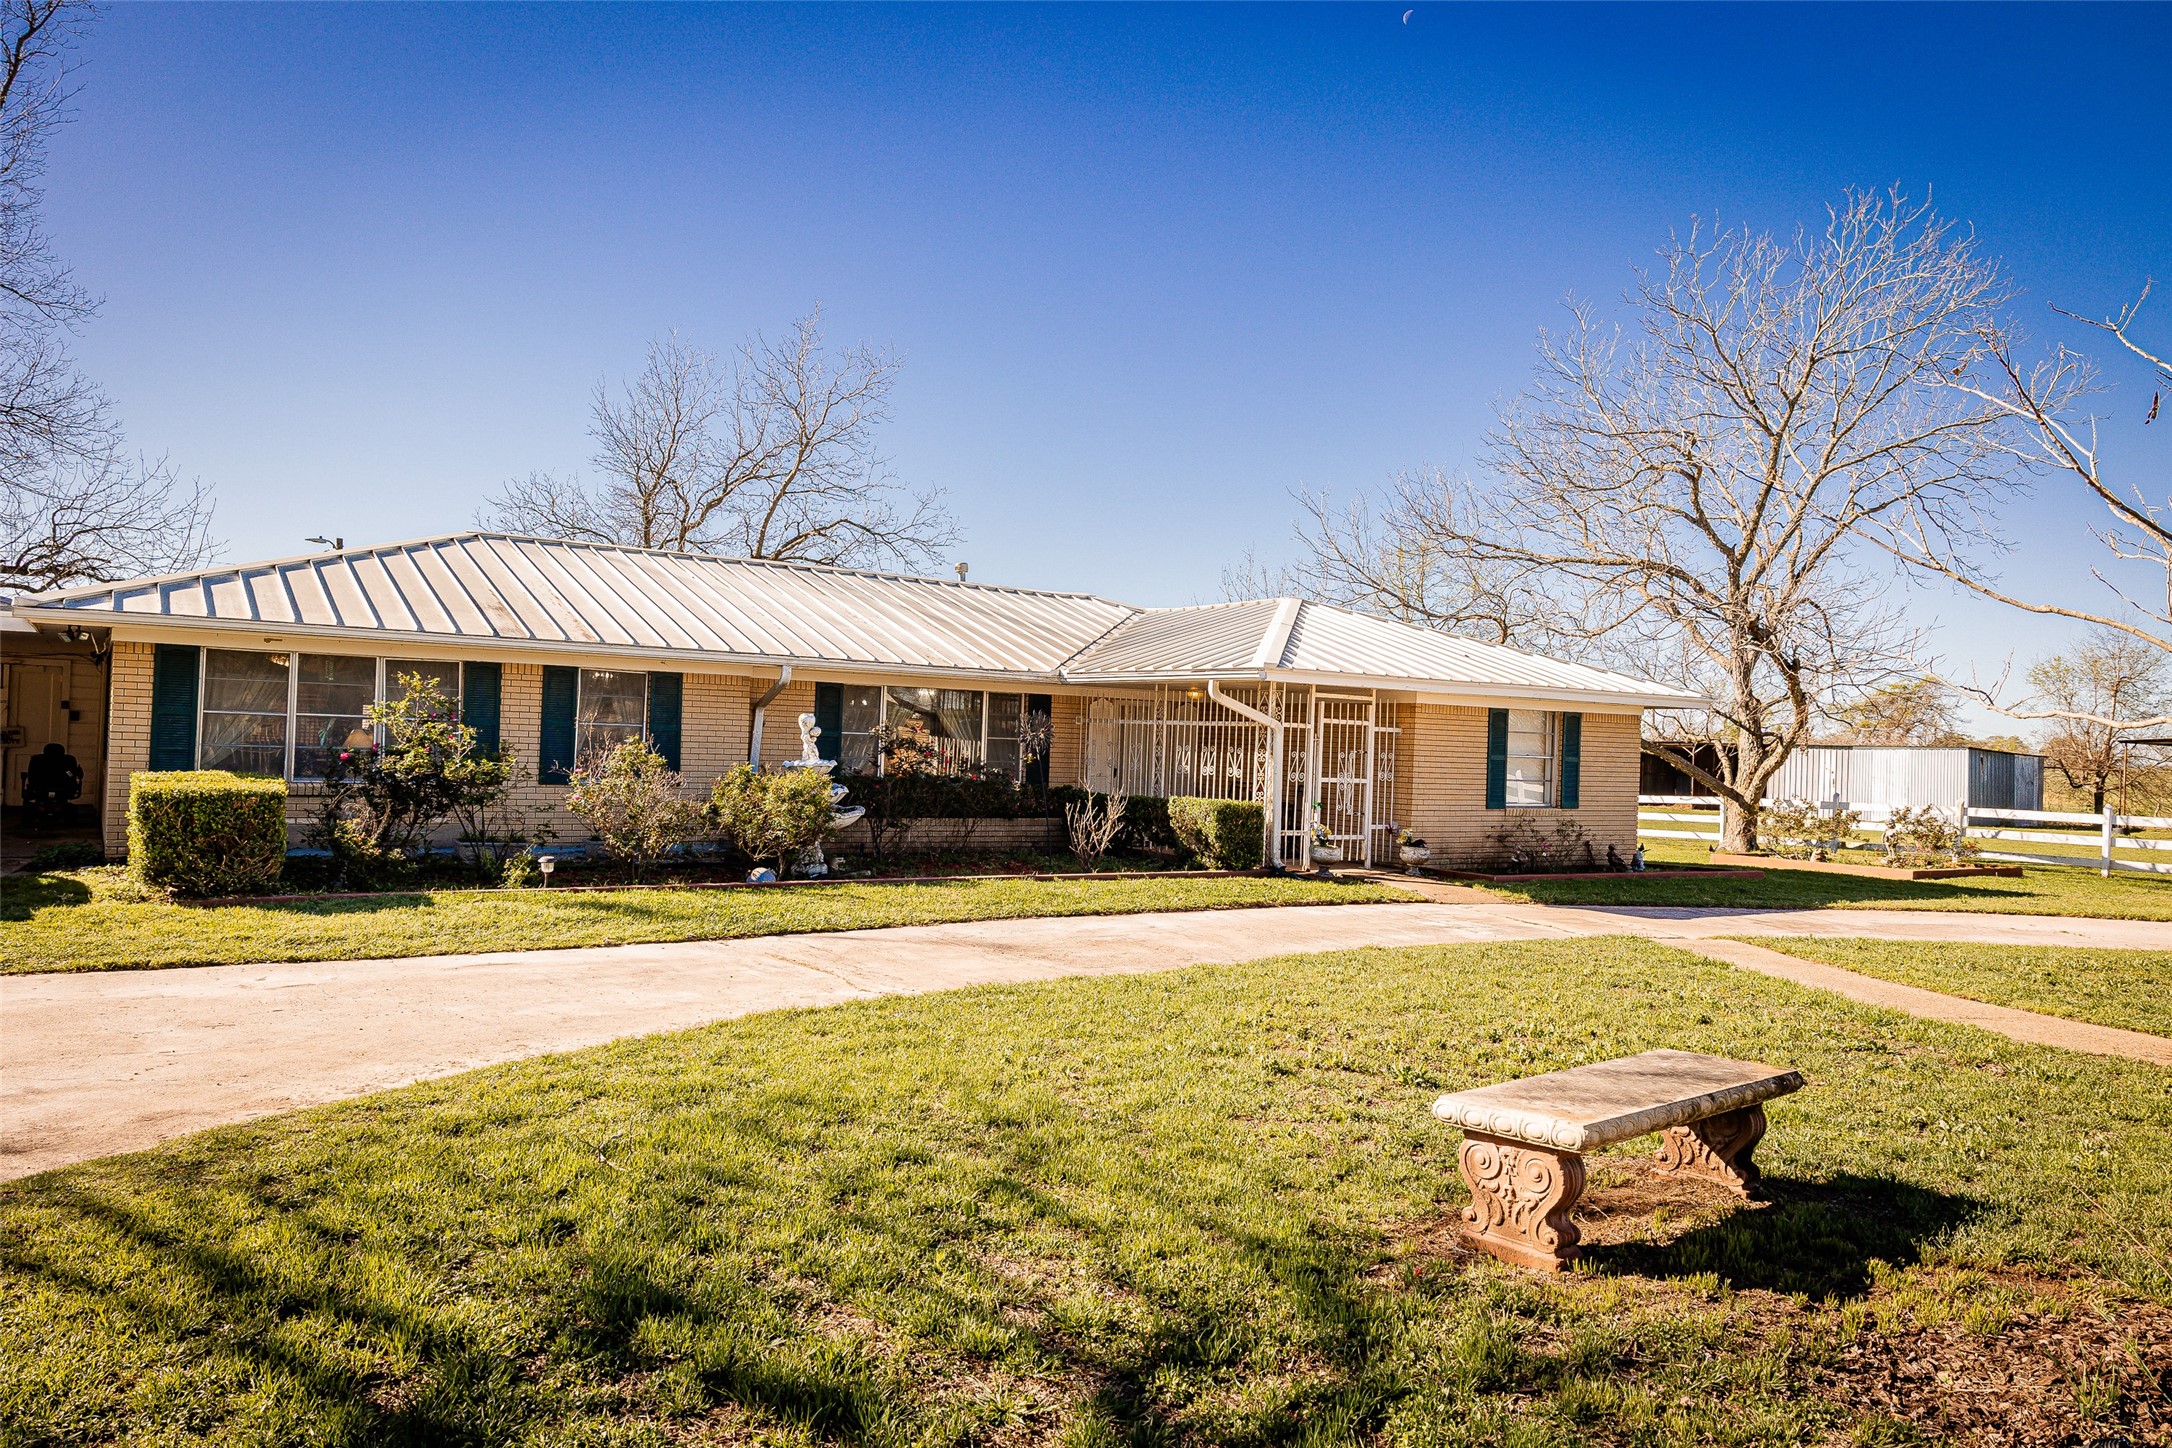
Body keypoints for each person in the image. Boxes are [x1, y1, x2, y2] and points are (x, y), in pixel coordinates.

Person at [23, 741, 83, 829]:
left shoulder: (37, 760)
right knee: (70, 811)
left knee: (29, 809)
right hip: (63, 789)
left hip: (40, 789)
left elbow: (32, 776)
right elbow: (73, 776)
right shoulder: (68, 760)